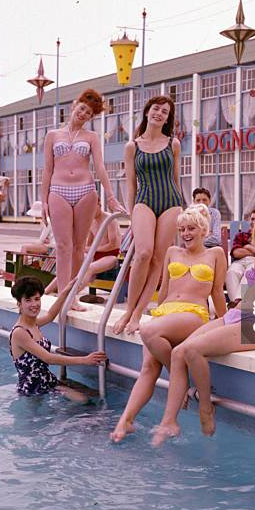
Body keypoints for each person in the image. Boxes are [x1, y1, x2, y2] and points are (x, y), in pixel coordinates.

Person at [152, 212, 255, 447]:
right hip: (237, 315)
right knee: (178, 351)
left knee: (192, 351)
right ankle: (168, 421)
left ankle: (205, 407)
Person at [110, 205, 227, 442]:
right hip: (166, 313)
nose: (185, 233)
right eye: (182, 229)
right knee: (147, 369)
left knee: (148, 330)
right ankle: (126, 421)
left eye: (191, 228)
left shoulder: (215, 254)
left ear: (203, 229)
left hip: (193, 313)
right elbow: (162, 291)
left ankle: (175, 388)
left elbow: (216, 292)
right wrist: (150, 311)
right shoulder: (172, 252)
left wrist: (225, 321)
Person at [41, 88, 125, 304]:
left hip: (85, 191)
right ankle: (61, 296)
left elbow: (100, 167)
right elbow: (47, 170)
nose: (83, 114)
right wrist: (43, 201)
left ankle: (72, 297)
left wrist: (111, 196)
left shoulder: (92, 137)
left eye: (89, 113)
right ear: (74, 105)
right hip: (58, 191)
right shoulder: (52, 136)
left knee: (79, 247)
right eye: (82, 109)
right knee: (62, 246)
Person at [112, 96, 184, 336]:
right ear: (147, 112)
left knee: (157, 260)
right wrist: (132, 214)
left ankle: (138, 312)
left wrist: (182, 208)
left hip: (171, 202)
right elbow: (131, 184)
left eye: (165, 112)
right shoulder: (132, 146)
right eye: (156, 109)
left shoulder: (173, 143)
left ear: (167, 118)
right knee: (143, 253)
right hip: (144, 201)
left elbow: (176, 179)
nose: (159, 114)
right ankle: (128, 309)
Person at [9, 276, 106, 399]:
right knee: (83, 401)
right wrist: (85, 360)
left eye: (37, 299)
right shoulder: (20, 332)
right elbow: (48, 358)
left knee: (91, 398)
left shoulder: (34, 324)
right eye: (28, 300)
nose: (34, 304)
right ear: (19, 304)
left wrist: (66, 290)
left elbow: (50, 315)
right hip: (32, 391)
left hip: (47, 382)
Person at [44, 198, 121, 304]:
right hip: (95, 254)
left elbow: (114, 245)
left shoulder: (110, 220)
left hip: (111, 255)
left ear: (99, 205)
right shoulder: (92, 221)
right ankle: (46, 292)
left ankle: (70, 296)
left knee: (89, 268)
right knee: (72, 265)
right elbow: (89, 243)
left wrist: (92, 249)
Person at [225, 207, 255, 307]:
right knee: (231, 272)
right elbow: (236, 253)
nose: (253, 221)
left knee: (249, 273)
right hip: (239, 262)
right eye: (252, 219)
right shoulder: (241, 235)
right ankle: (237, 303)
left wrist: (246, 246)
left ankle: (238, 302)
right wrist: (254, 250)